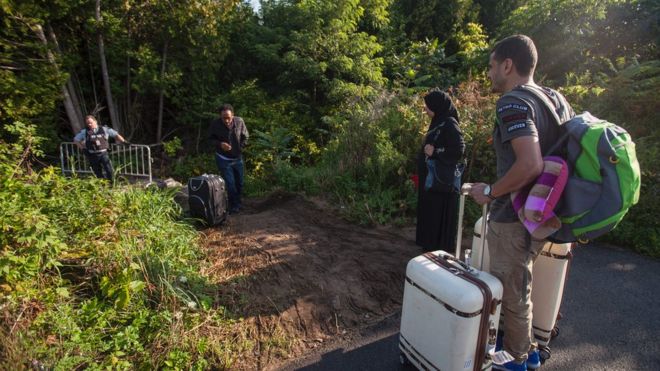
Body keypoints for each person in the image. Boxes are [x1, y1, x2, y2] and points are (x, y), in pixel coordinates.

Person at [467, 35, 574, 371]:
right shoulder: (555, 99)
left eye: (491, 65)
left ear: (507, 65)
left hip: (512, 215)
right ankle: (521, 347)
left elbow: (531, 164)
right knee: (520, 284)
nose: (488, 73)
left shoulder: (512, 102)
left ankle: (517, 359)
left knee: (513, 293)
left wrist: (491, 191)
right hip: (541, 211)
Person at [415, 90, 465, 251]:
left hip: (440, 183)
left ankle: (437, 248)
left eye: (428, 107)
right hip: (432, 181)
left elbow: (459, 149)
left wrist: (435, 152)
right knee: (430, 212)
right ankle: (429, 245)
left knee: (437, 213)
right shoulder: (439, 121)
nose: (426, 110)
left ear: (437, 106)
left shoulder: (449, 123)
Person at [208, 104, 249, 214]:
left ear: (233, 115)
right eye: (224, 118)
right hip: (223, 158)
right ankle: (233, 207)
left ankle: (239, 203)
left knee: (239, 183)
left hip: (237, 158)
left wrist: (240, 147)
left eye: (228, 118)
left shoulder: (239, 121)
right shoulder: (215, 124)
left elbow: (246, 136)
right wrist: (220, 144)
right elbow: (211, 139)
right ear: (220, 117)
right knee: (230, 184)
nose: (226, 120)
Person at [73, 115, 127, 182]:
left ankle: (112, 183)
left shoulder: (104, 129)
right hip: (92, 154)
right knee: (97, 172)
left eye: (91, 122)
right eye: (88, 123)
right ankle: (102, 185)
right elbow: (76, 140)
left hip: (103, 153)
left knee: (109, 170)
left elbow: (116, 135)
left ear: (95, 121)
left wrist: (124, 142)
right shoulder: (84, 132)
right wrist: (83, 149)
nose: (89, 124)